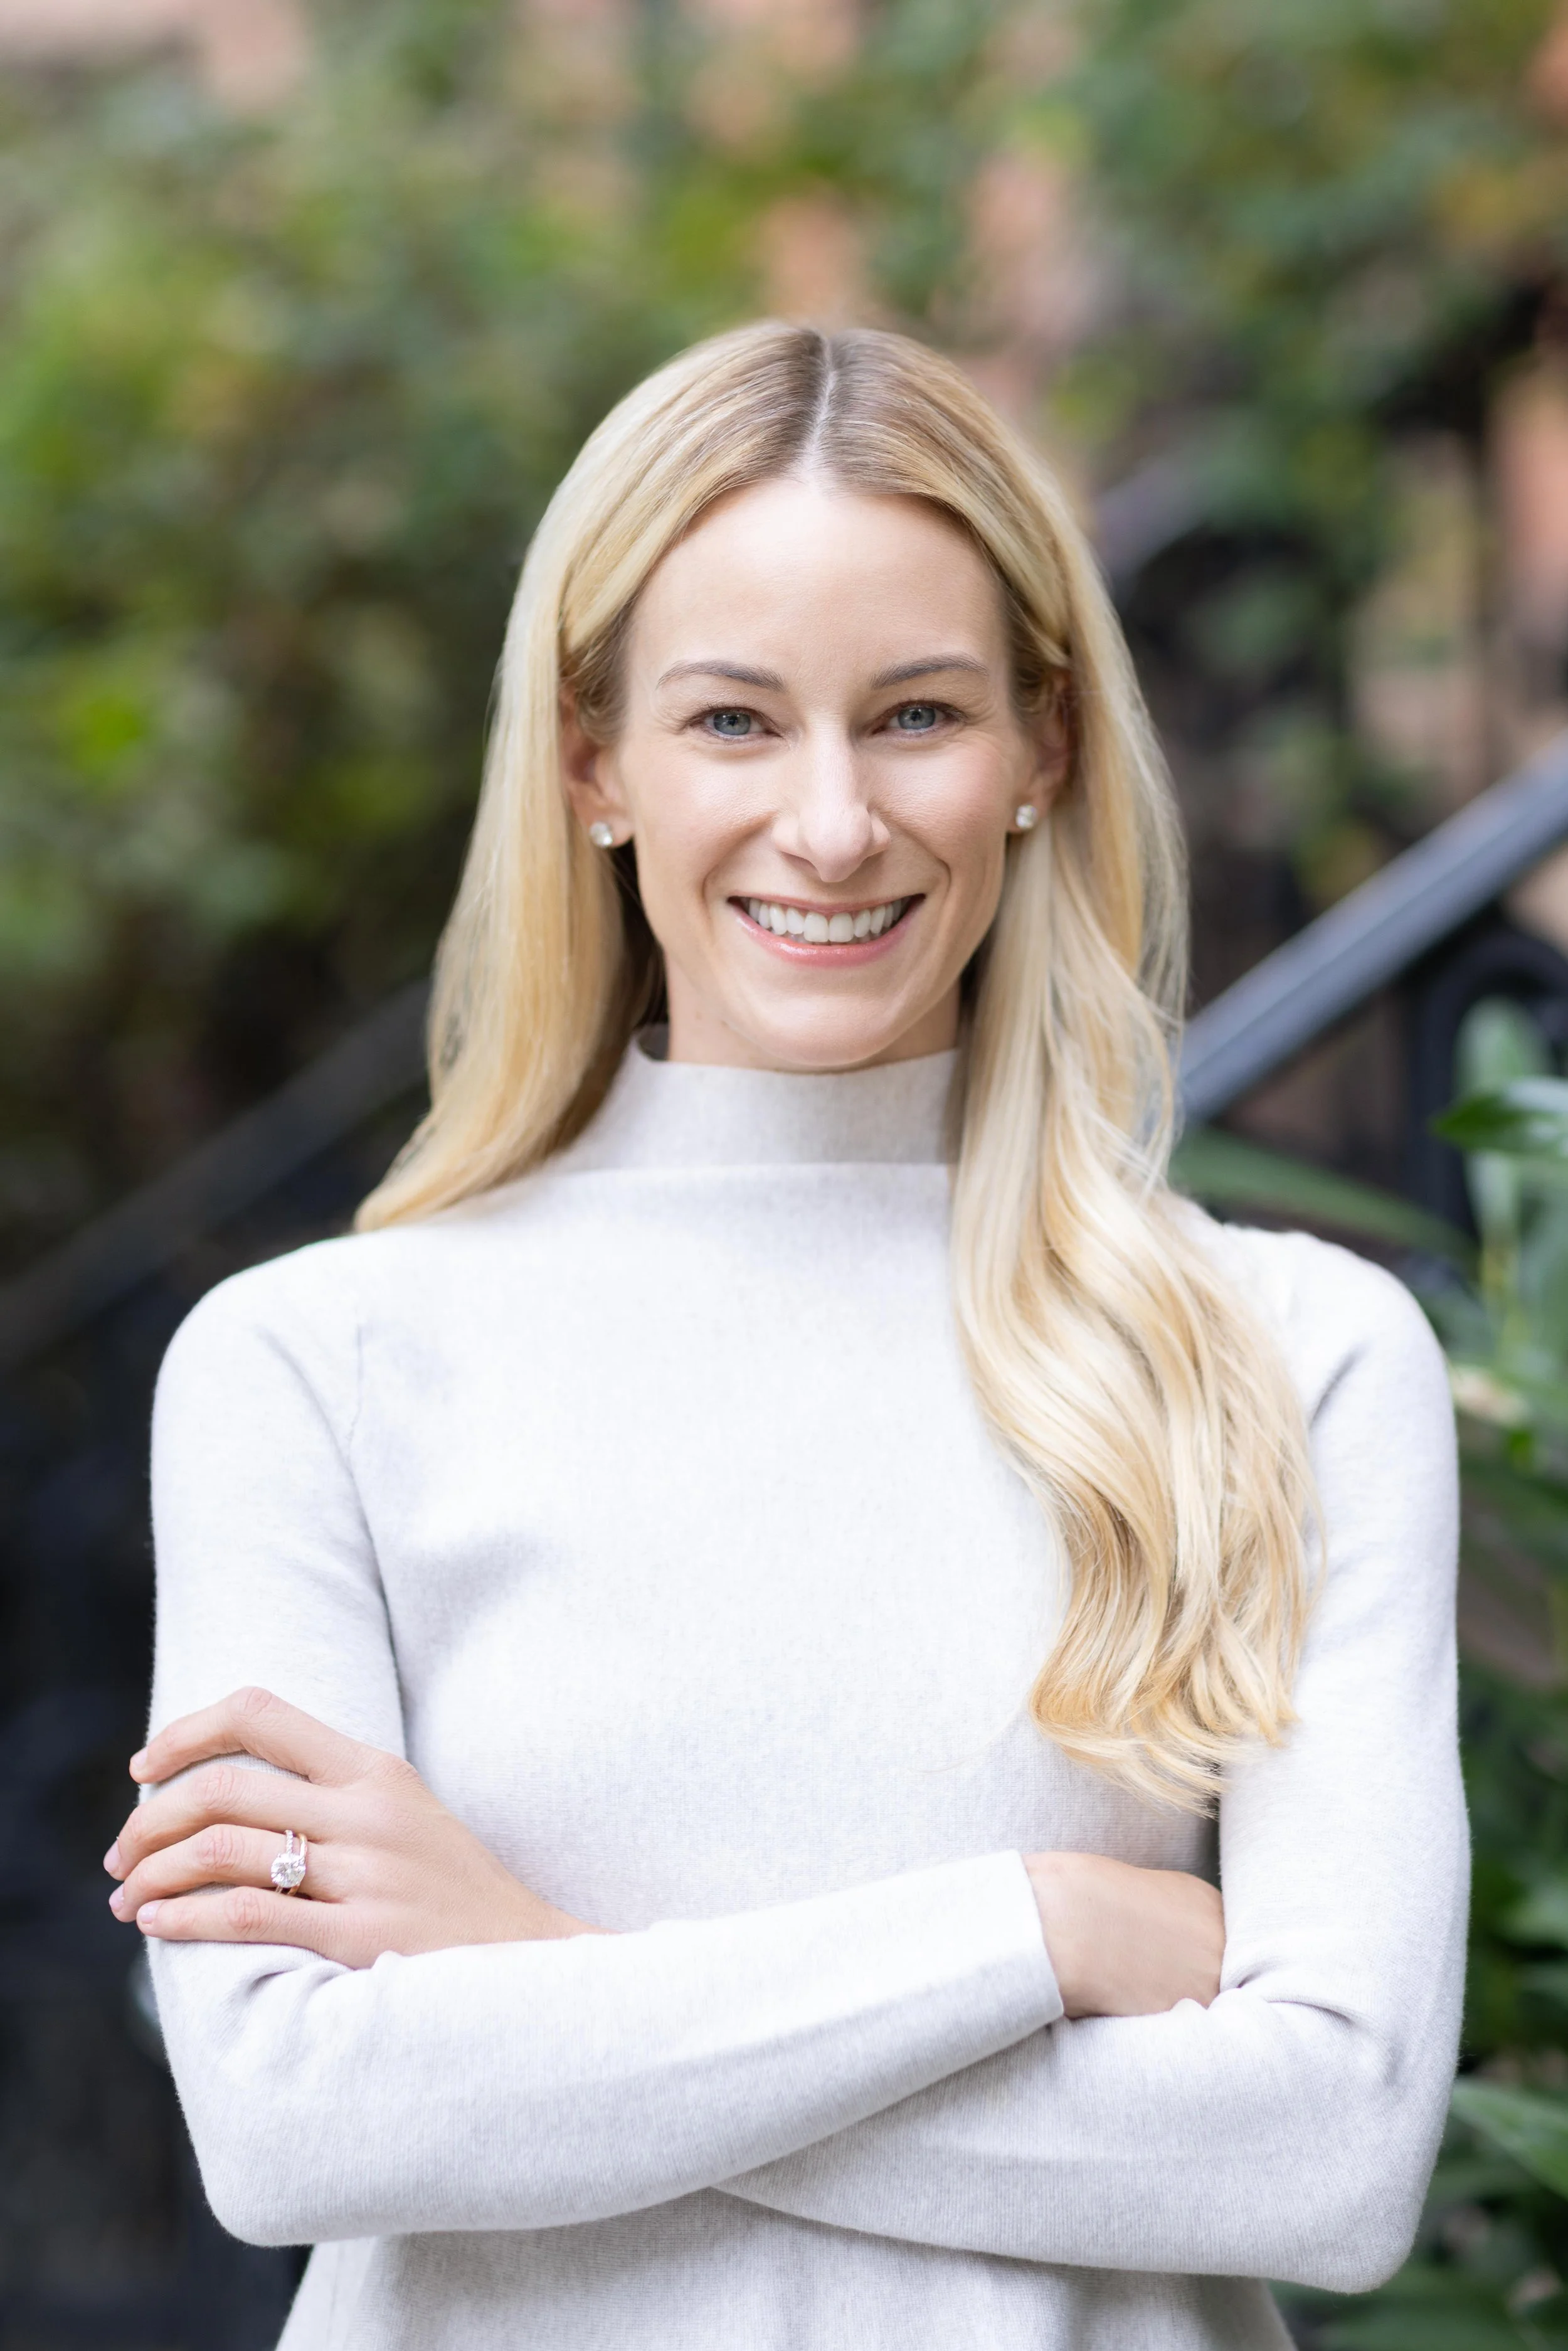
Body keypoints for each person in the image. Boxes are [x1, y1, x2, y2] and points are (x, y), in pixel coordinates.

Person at [105, 323, 1466, 2350]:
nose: (829, 827)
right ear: (593, 761)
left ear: (1044, 749)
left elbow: (1318, 2159)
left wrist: (536, 1966)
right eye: (733, 722)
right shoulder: (321, 1364)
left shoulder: (1291, 1353)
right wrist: (1046, 1927)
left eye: (912, 713)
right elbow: (298, 2124)